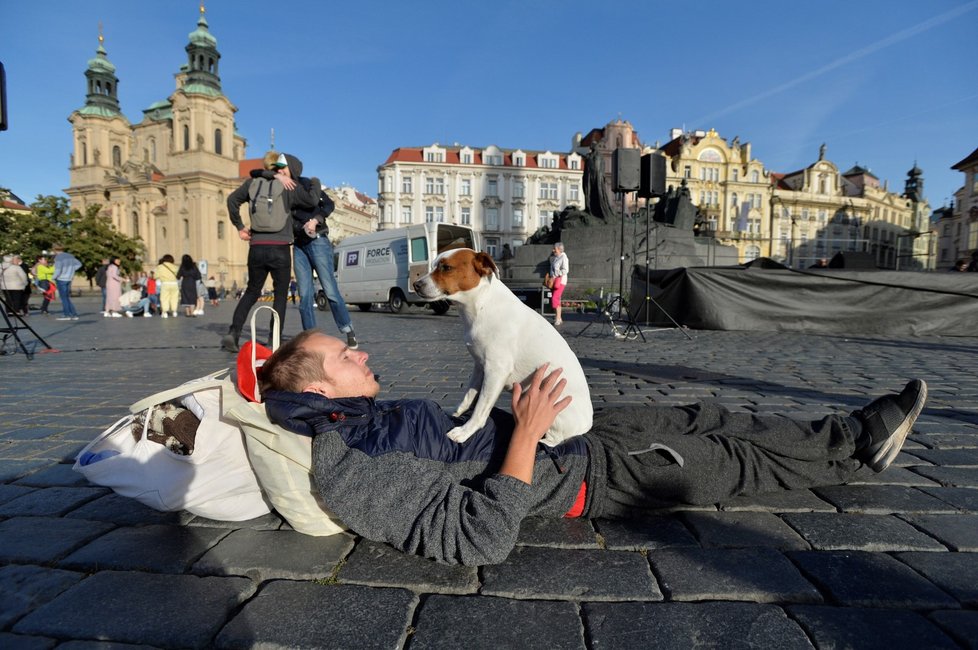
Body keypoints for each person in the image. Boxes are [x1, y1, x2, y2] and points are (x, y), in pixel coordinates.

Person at [258, 331, 928, 566]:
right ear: (316, 383)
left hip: (573, 433)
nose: (363, 350)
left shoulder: (362, 418)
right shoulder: (351, 470)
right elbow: (479, 540)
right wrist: (523, 430)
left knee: (708, 412)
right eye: (347, 353)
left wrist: (530, 415)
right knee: (732, 460)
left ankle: (849, 434)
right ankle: (859, 443)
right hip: (591, 478)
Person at [221, 151, 319, 352]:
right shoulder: (288, 185)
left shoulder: (252, 184)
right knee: (280, 295)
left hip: (257, 246)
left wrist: (240, 226)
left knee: (251, 291)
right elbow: (311, 201)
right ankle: (274, 339)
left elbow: (232, 201)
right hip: (280, 247)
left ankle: (233, 333)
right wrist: (316, 182)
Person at [290, 178, 358, 348]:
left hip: (318, 241)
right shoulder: (282, 192)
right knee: (305, 295)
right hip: (298, 245)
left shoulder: (307, 185)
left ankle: (348, 330)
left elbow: (328, 204)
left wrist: (316, 219)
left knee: (330, 290)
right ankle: (311, 338)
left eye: (283, 170)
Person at [51, 244, 83, 320]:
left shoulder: (58, 258)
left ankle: (66, 315)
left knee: (64, 298)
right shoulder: (70, 256)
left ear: (55, 250)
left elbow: (58, 269)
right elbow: (79, 264)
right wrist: (72, 270)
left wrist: (53, 277)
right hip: (69, 278)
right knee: (67, 298)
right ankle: (74, 314)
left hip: (61, 279)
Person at [549, 242, 569, 326]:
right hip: (554, 281)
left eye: (555, 248)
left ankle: (557, 318)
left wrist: (556, 275)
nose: (553, 250)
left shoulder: (563, 257)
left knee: (555, 299)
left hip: (560, 281)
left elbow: (565, 270)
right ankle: (559, 317)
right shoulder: (556, 257)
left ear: (559, 249)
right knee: (557, 300)